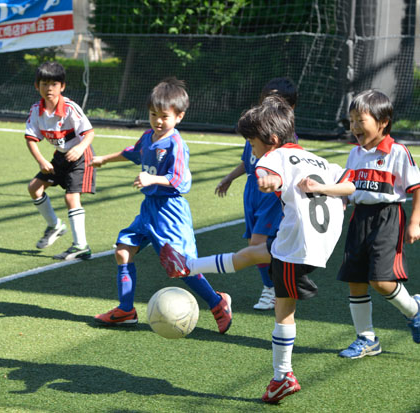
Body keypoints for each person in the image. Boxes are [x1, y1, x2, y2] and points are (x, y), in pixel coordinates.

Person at [160, 96, 356, 403]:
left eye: (252, 144)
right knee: (252, 254)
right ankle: (188, 265)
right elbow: (350, 186)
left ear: (272, 140)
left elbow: (271, 175)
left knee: (284, 310)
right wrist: (323, 189)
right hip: (320, 241)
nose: (252, 152)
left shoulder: (273, 157)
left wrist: (268, 181)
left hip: (297, 245)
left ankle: (282, 376)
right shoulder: (316, 159)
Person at [91, 78, 232, 334]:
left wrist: (151, 178)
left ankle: (217, 302)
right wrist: (104, 159)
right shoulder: (148, 137)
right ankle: (125, 310)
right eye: (153, 114)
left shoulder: (176, 145)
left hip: (170, 211)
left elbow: (179, 180)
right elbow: (132, 152)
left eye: (164, 116)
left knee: (182, 267)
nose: (157, 121)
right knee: (123, 250)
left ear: (179, 116)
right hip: (149, 209)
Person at [337, 90, 420, 359]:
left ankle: (415, 311)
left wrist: (415, 222)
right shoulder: (355, 154)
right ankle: (367, 339)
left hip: (387, 217)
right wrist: (340, 203)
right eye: (351, 121)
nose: (354, 127)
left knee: (381, 281)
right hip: (359, 218)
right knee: (356, 281)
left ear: (383, 122)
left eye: (360, 120)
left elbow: (417, 187)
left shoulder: (397, 152)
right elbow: (348, 188)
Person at [215, 77, 297, 310]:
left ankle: (274, 287)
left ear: (290, 106)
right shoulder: (255, 128)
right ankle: (276, 284)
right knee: (254, 241)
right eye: (266, 100)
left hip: (270, 191)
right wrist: (229, 178)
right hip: (252, 189)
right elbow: (247, 161)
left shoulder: (285, 136)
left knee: (257, 243)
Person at [25, 61, 95, 260]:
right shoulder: (36, 110)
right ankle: (55, 225)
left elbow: (89, 133)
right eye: (44, 84)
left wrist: (79, 148)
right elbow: (31, 138)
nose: (49, 88)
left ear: (62, 86)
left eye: (54, 84)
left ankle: (81, 245)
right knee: (34, 188)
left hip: (81, 156)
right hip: (61, 156)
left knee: (71, 198)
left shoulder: (70, 108)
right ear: (37, 86)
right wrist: (41, 161)